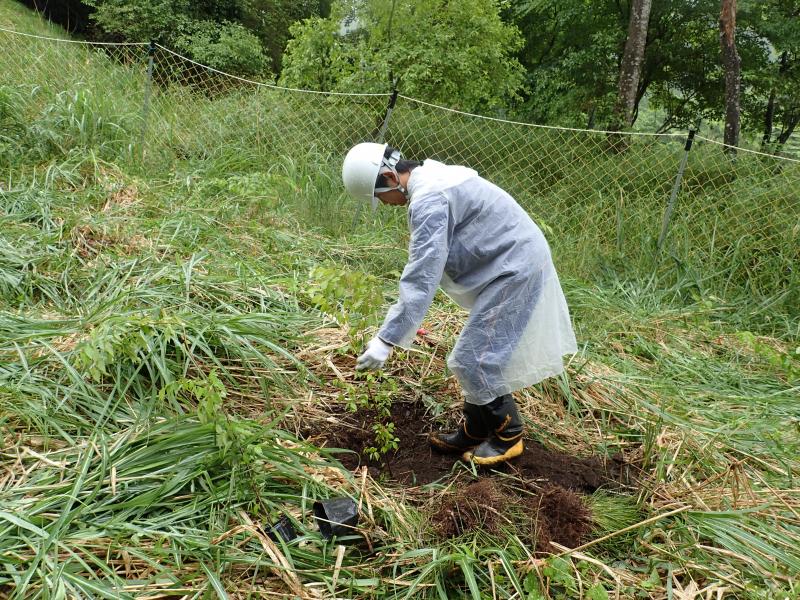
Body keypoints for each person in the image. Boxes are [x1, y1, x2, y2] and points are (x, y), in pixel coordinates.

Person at [341, 143, 577, 466]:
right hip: (508, 264)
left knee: (474, 358)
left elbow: (422, 274)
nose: (385, 204)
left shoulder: (429, 200)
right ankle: (477, 427)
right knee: (473, 353)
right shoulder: (432, 179)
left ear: (389, 177)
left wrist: (386, 339)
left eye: (381, 197)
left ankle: (508, 435)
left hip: (516, 268)